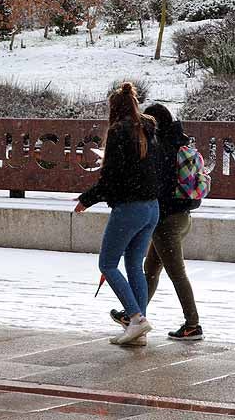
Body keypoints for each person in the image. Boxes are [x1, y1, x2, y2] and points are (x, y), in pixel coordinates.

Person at [75, 82, 160, 347]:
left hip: (129, 208)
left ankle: (135, 318)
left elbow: (110, 178)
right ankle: (138, 331)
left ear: (114, 109)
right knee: (134, 265)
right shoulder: (148, 131)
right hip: (151, 208)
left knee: (108, 264)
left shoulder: (118, 132)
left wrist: (85, 200)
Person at [111, 103, 203, 341]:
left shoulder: (161, 148)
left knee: (177, 274)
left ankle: (193, 324)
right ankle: (135, 315)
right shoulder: (179, 140)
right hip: (182, 217)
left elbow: (157, 188)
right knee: (150, 271)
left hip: (166, 222)